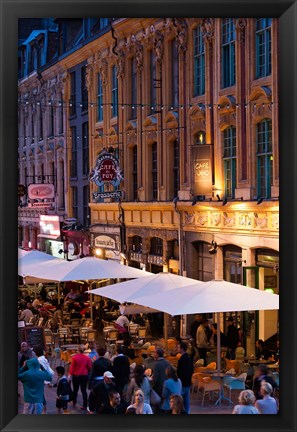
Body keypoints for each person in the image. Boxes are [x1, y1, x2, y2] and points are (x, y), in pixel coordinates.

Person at [68, 344, 92, 411]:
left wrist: (70, 375)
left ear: (78, 350)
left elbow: (72, 368)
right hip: (84, 375)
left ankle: (74, 401)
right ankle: (85, 405)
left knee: (75, 390)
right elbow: (89, 367)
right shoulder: (87, 358)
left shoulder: (74, 357)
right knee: (84, 390)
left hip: (76, 375)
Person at [33, 345, 55, 412]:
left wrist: (47, 381)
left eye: (33, 352)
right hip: (42, 379)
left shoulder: (39, 360)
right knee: (40, 393)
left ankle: (43, 409)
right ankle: (43, 408)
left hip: (40, 379)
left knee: (40, 394)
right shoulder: (42, 358)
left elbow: (44, 369)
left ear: (36, 352)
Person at [176, 341, 193, 414]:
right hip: (188, 382)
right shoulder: (188, 358)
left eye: (178, 347)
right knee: (187, 401)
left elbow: (180, 371)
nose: (177, 348)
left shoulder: (182, 359)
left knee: (180, 401)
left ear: (182, 349)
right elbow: (192, 369)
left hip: (182, 382)